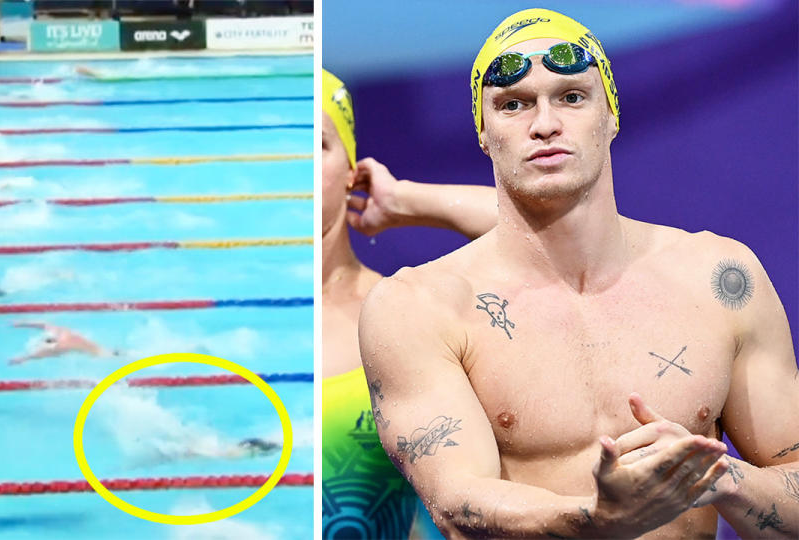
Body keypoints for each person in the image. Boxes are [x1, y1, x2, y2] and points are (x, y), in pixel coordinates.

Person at [358, 8, 799, 539]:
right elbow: (457, 502)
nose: (544, 124)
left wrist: (722, 478)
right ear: (482, 131)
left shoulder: (720, 280)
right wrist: (596, 519)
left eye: (571, 96)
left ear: (611, 114)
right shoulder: (420, 307)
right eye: (513, 104)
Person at [321, 69, 497, 539]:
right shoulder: (209, 324)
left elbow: (548, 239)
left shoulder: (406, 312)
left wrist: (405, 199)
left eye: (314, 145)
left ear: (351, 173)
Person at [10, 321, 120, 365]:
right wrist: (21, 324)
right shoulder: (61, 331)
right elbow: (43, 325)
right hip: (106, 351)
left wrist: (22, 359)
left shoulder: (62, 345)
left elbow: (41, 354)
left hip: (103, 357)